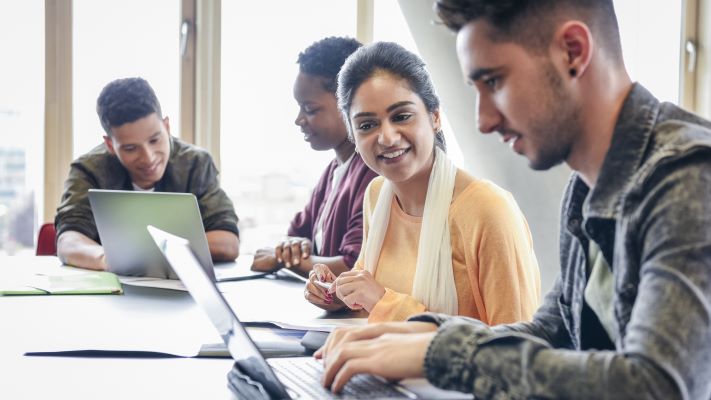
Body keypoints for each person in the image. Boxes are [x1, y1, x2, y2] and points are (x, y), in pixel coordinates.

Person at [315, 1, 711, 398]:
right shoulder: (586, 186)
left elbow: (656, 385)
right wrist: (413, 339)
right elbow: (552, 333)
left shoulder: (689, 178)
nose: (483, 120)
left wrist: (446, 353)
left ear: (573, 52)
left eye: (495, 82)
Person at [305, 41, 541, 325]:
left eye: (401, 116)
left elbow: (516, 349)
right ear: (353, 136)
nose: (388, 138)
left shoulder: (488, 210)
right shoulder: (377, 196)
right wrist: (335, 294)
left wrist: (384, 301)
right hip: (381, 364)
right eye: (367, 125)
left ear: (435, 117)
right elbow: (369, 305)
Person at [55, 77, 240, 271]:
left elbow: (228, 242)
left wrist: (144, 252)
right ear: (110, 145)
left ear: (166, 127)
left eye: (155, 140)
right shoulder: (89, 170)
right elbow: (68, 241)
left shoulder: (195, 164)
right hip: (113, 290)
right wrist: (108, 260)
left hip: (182, 294)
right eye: (130, 148)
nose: (148, 158)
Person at [251, 37, 378, 278]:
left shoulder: (373, 173)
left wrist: (281, 258)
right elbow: (295, 236)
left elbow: (353, 266)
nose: (299, 119)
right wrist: (289, 251)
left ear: (349, 104)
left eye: (309, 109)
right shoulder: (333, 170)